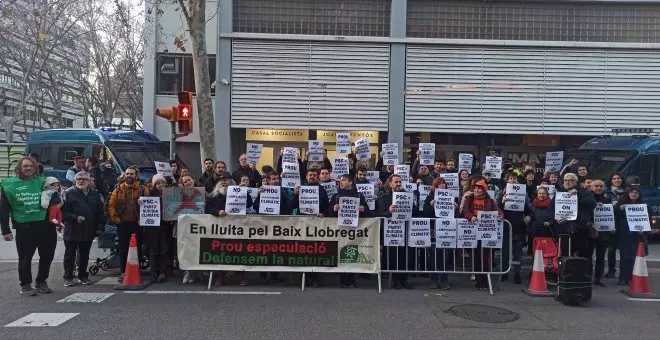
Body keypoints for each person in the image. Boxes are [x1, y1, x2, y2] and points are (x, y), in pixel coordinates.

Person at [0, 157, 54, 295]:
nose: (28, 168)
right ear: (19, 168)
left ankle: (41, 281)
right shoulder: (9, 186)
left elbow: (55, 200)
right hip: (25, 227)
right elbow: (4, 209)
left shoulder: (43, 182)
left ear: (35, 168)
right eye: (25, 166)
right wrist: (5, 230)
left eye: (31, 166)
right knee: (25, 258)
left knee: (47, 255)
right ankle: (25, 284)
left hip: (45, 226)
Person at [61, 172, 105, 286]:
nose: (81, 181)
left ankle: (83, 276)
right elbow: (62, 213)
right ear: (75, 181)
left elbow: (100, 213)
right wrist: (74, 217)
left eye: (84, 179)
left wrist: (100, 227)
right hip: (72, 229)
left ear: (89, 181)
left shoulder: (95, 195)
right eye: (79, 179)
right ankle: (68, 277)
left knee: (84, 254)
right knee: (70, 255)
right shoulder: (68, 193)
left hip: (88, 229)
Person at [107, 166, 148, 282]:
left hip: (137, 224)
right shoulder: (118, 190)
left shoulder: (143, 189)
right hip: (123, 224)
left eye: (132, 174)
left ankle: (137, 270)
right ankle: (123, 271)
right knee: (123, 249)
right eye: (127, 174)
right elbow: (111, 206)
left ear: (136, 176)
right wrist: (116, 219)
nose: (129, 176)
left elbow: (150, 204)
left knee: (138, 248)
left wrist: (142, 218)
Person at [461, 180, 504, 289]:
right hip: (473, 232)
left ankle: (486, 280)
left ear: (484, 190)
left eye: (479, 189)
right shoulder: (468, 199)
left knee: (485, 257)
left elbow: (499, 212)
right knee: (475, 257)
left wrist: (500, 217)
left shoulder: (490, 200)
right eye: (475, 189)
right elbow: (465, 211)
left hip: (485, 233)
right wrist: (471, 217)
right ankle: (478, 280)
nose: (476, 191)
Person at [376, 174, 413, 289]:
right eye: (396, 182)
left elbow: (414, 211)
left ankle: (403, 279)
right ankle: (394, 280)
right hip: (390, 232)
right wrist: (388, 211)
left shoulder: (406, 195)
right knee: (392, 256)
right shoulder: (384, 197)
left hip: (403, 231)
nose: (398, 184)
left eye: (400, 182)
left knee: (404, 256)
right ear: (390, 184)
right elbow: (377, 214)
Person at [501, 172, 532, 285]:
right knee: (505, 253)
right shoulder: (502, 192)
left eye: (514, 179)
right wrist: (502, 201)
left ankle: (517, 274)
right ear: (507, 180)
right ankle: (504, 273)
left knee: (518, 253)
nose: (513, 181)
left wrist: (529, 216)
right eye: (510, 179)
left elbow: (530, 209)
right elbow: (497, 209)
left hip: (519, 228)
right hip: (505, 228)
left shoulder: (524, 194)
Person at [556, 173, 596, 258]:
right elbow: (552, 209)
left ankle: (583, 271)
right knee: (564, 255)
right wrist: (555, 219)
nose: (567, 182)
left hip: (580, 229)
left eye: (570, 180)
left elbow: (592, 204)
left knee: (583, 256)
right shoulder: (559, 192)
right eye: (565, 180)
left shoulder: (584, 192)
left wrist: (577, 194)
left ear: (576, 182)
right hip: (564, 229)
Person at [140, 174, 172, 283]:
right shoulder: (149, 195)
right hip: (152, 227)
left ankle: (163, 272)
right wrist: (140, 203)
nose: (160, 185)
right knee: (153, 249)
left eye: (162, 183)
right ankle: (153, 272)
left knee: (164, 249)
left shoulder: (170, 195)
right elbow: (143, 206)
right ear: (154, 185)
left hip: (164, 226)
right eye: (158, 183)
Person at [615, 186, 648, 286]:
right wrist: (619, 209)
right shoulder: (621, 205)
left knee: (635, 258)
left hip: (638, 236)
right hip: (625, 235)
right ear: (628, 194)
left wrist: (644, 230)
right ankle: (623, 278)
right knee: (625, 258)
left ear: (639, 195)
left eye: (636, 193)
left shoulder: (644, 206)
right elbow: (615, 217)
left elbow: (647, 220)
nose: (633, 194)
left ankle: (633, 278)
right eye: (631, 192)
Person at [590, 179, 611, 287]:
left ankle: (598, 278)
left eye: (600, 186)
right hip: (590, 232)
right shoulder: (588, 198)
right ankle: (587, 276)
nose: (598, 188)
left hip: (603, 233)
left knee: (601, 257)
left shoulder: (607, 200)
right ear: (591, 187)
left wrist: (612, 226)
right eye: (596, 186)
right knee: (588, 256)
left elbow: (611, 216)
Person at [605, 172, 625, 278]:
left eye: (619, 178)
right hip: (611, 223)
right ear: (611, 181)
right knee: (611, 249)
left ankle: (624, 271)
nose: (617, 180)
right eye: (614, 178)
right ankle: (611, 270)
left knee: (623, 249)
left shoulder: (627, 192)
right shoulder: (606, 193)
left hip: (623, 224)